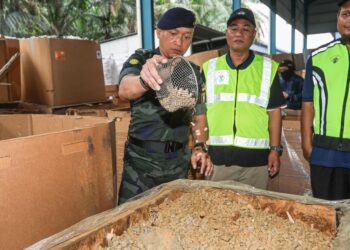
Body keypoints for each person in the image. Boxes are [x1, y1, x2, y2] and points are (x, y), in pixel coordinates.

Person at [117, 7, 212, 204]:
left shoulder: (192, 73)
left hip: (177, 163)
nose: (179, 42)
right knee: (130, 224)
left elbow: (199, 116)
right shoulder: (143, 60)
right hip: (141, 164)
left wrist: (200, 146)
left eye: (187, 36)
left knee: (172, 222)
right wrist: (144, 80)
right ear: (159, 32)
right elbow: (125, 89)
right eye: (173, 34)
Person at [202, 8, 286, 189]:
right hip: (218, 161)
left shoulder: (267, 68)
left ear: (253, 35)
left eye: (246, 29)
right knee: (216, 212)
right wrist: (201, 148)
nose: (239, 33)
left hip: (256, 164)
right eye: (234, 28)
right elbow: (200, 112)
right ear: (226, 33)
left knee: (252, 214)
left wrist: (275, 150)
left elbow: (275, 114)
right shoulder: (209, 68)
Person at [301, 0, 350, 200]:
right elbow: (308, 103)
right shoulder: (319, 57)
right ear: (337, 19)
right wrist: (306, 143)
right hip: (325, 154)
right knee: (328, 221)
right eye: (345, 14)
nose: (349, 20)